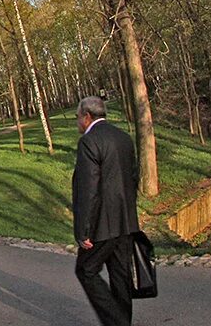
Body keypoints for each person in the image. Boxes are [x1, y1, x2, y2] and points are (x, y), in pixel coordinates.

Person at [72, 95, 139, 326]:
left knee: (86, 270)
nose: (77, 122)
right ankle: (123, 320)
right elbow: (133, 178)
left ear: (87, 116)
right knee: (121, 275)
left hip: (101, 224)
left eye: (77, 117)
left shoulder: (89, 142)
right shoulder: (123, 138)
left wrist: (84, 231)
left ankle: (118, 322)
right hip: (126, 219)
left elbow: (88, 189)